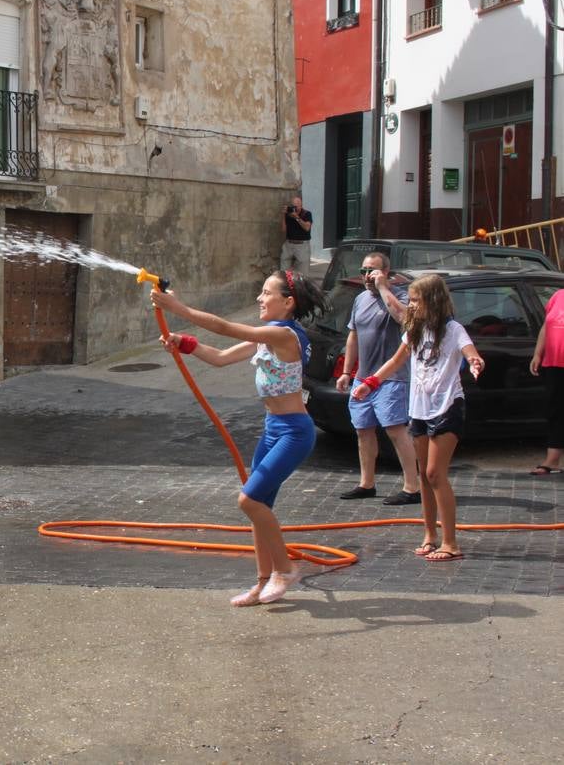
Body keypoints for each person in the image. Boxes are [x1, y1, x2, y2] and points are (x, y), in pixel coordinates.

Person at [151, 269, 328, 606]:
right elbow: (220, 358)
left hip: (294, 432)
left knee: (249, 500)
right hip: (273, 427)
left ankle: (285, 570)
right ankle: (262, 582)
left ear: (288, 302)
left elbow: (226, 327)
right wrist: (184, 343)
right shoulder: (267, 337)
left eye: (266, 293)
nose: (259, 299)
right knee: (260, 506)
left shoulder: (285, 335)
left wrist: (180, 309)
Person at [352, 274, 484, 562]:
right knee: (424, 475)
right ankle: (430, 535)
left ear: (433, 302)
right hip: (419, 409)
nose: (410, 306)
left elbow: (469, 351)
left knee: (436, 473)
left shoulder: (453, 329)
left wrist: (474, 361)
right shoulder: (414, 330)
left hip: (448, 406)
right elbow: (396, 360)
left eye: (415, 301)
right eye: (409, 300)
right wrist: (370, 382)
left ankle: (451, 543)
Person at [333, 253, 422, 505]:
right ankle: (366, 483)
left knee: (396, 430)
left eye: (372, 271)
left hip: (392, 378)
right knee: (363, 431)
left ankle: (412, 487)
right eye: (363, 271)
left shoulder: (401, 296)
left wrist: (383, 288)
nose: (367, 276)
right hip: (363, 378)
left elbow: (404, 319)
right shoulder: (360, 299)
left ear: (386, 271)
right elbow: (353, 337)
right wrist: (347, 372)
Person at [528, 286, 564, 475]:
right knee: (555, 411)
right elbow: (545, 327)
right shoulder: (558, 296)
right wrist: (537, 354)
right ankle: (553, 460)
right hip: (554, 364)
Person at [280, 195, 313, 274]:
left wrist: (297, 217)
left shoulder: (307, 214)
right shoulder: (288, 214)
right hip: (289, 244)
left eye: (298, 205)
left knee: (303, 273)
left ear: (301, 205)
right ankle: (286, 285)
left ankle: (301, 286)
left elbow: (307, 228)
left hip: (302, 246)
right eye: (294, 206)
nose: (296, 208)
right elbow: (283, 230)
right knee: (284, 272)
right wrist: (283, 215)